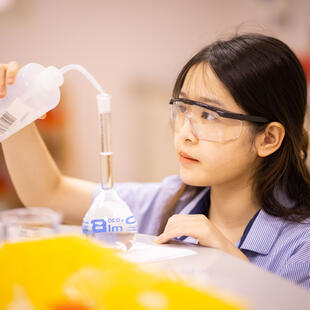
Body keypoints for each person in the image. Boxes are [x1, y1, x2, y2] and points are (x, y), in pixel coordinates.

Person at [1, 33, 310, 288]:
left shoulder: (301, 248)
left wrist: (232, 266)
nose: (185, 133)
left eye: (209, 115)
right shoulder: (170, 201)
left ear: (268, 138)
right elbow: (48, 192)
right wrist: (13, 106)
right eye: (184, 109)